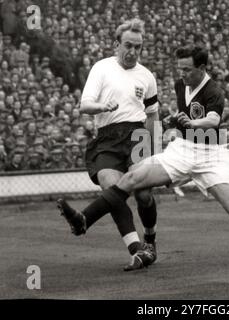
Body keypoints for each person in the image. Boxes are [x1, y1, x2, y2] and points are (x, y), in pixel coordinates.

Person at [58, 46, 229, 271]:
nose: (182, 74)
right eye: (179, 69)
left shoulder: (214, 91)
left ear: (201, 68)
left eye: (187, 69)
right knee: (134, 179)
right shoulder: (182, 84)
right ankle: (84, 221)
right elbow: (183, 112)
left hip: (211, 155)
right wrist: (174, 122)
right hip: (183, 151)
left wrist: (193, 122)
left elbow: (213, 120)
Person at [57, 19, 159, 271]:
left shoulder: (146, 76)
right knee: (111, 188)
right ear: (116, 44)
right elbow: (84, 105)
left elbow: (153, 115)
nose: (133, 51)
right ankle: (137, 250)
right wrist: (101, 107)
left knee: (144, 195)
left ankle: (150, 240)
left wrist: (155, 149)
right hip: (108, 137)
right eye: (128, 45)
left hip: (138, 136)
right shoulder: (101, 68)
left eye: (138, 47)